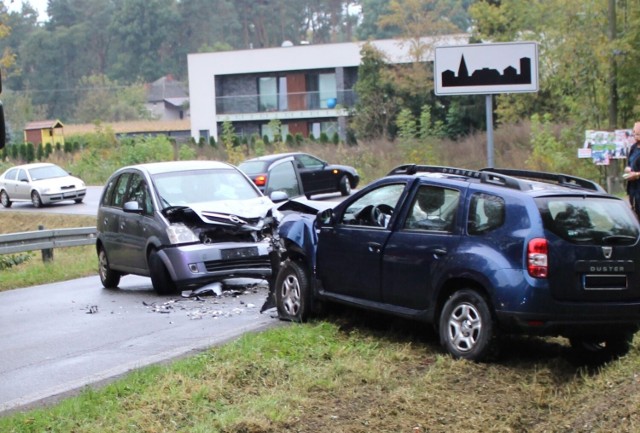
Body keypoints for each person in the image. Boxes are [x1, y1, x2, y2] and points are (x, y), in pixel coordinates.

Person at [624, 122, 640, 218]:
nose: (635, 136)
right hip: (633, 189)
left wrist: (637, 174)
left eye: (638, 134)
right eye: (634, 133)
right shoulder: (633, 148)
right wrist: (628, 170)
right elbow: (629, 164)